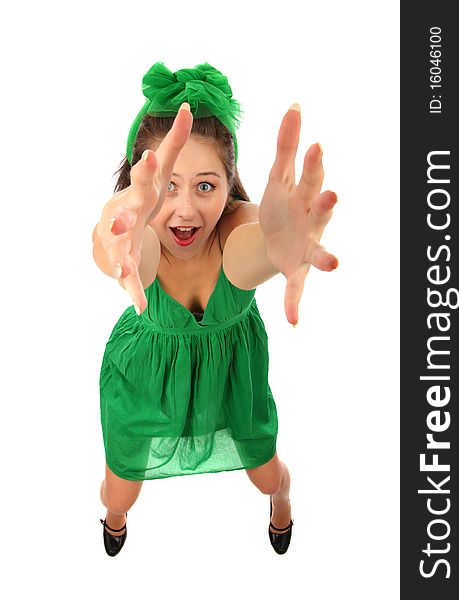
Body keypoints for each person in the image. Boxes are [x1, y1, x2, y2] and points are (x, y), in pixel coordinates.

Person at [92, 61, 338, 557]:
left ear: (229, 189)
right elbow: (120, 248)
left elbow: (256, 247)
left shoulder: (234, 231)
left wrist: (277, 247)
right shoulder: (140, 238)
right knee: (118, 491)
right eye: (166, 188)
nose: (184, 210)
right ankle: (114, 520)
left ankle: (284, 502)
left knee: (268, 475)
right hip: (145, 377)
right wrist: (112, 233)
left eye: (205, 186)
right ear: (136, 188)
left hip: (232, 375)